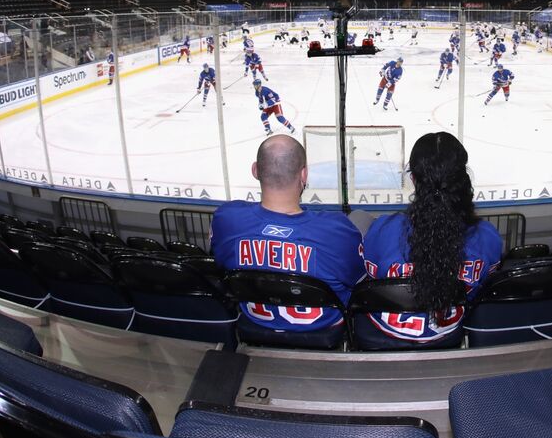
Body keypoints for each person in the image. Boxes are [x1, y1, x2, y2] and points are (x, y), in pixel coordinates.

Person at [210, 135, 363, 336]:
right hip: (323, 329)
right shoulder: (336, 230)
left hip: (256, 323)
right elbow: (357, 278)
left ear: (255, 170)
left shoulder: (226, 218)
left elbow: (220, 263)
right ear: (304, 175)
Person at [359, 132, 502, 344]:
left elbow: (370, 275)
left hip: (386, 331)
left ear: (413, 179)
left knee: (358, 218)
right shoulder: (487, 235)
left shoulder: (383, 229)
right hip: (448, 333)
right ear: (462, 179)